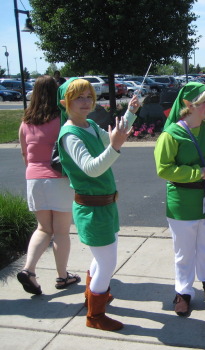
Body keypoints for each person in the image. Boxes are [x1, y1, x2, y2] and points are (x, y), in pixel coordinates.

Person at [57, 78, 139, 331]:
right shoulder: (70, 135)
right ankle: (95, 315)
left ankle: (94, 294)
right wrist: (115, 145)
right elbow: (92, 169)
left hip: (105, 206)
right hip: (91, 209)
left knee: (101, 259)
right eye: (78, 97)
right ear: (65, 102)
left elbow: (113, 136)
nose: (85, 102)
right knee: (107, 262)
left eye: (89, 96)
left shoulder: (90, 124)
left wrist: (130, 113)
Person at [154, 81, 205, 317]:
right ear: (189, 104)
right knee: (184, 253)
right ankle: (183, 293)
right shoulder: (171, 134)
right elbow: (163, 168)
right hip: (182, 203)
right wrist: (197, 172)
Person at [17, 75, 80, 295]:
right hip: (59, 179)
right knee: (61, 231)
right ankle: (62, 277)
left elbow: (25, 154)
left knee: (43, 228)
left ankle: (28, 270)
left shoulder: (26, 122)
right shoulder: (62, 118)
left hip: (34, 179)